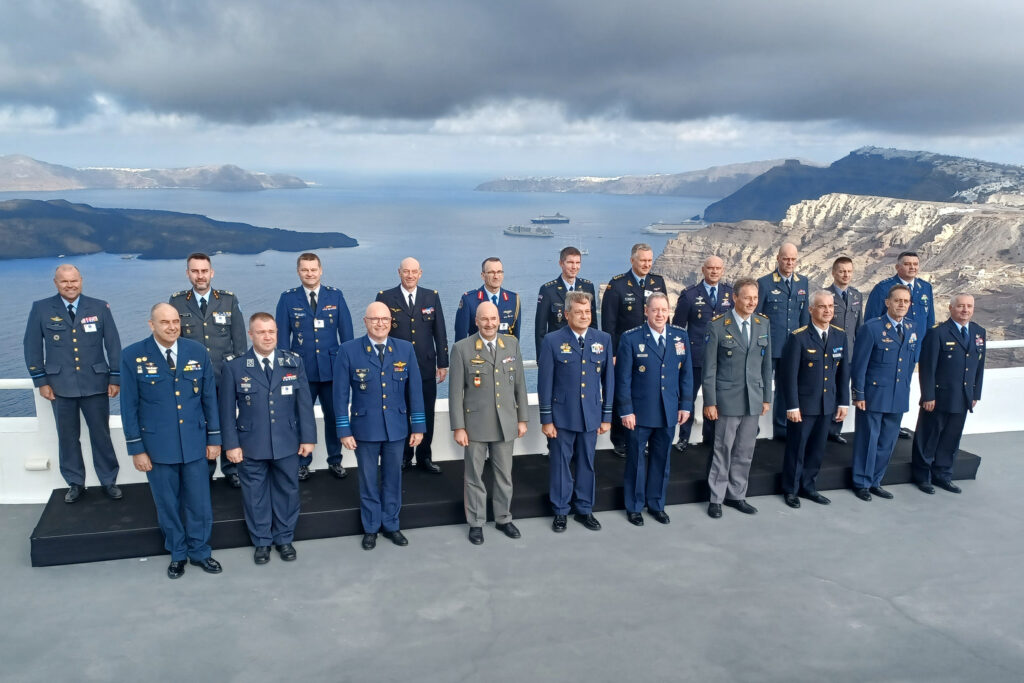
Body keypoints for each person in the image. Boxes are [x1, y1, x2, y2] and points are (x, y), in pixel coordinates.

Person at [120, 303, 223, 579]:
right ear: (151, 324)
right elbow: (128, 405)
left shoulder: (197, 351)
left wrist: (214, 438)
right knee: (168, 504)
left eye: (175, 321)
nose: (172, 327)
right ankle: (177, 554)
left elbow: (209, 399)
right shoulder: (132, 356)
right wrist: (137, 448)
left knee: (199, 503)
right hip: (158, 447)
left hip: (194, 443)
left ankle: (200, 551)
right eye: (165, 322)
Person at [219, 313, 316, 565]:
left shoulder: (293, 362)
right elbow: (226, 411)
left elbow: (304, 404)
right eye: (261, 332)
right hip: (250, 443)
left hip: (287, 441)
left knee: (288, 491)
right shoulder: (234, 367)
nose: (267, 337)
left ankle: (284, 538)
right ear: (251, 334)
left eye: (271, 331)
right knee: (255, 495)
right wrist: (231, 445)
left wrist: (308, 438)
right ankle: (262, 541)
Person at [24, 264, 122, 503]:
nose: (70, 285)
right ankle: (75, 482)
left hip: (96, 383)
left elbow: (113, 344)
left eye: (74, 281)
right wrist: (41, 381)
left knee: (101, 435)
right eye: (64, 281)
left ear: (81, 280)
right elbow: (32, 346)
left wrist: (115, 377)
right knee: (67, 437)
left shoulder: (100, 307)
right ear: (56, 283)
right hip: (60, 386)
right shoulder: (41, 308)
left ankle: (108, 480)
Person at [334, 302, 425, 550]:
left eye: (385, 319)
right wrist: (343, 430)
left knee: (393, 478)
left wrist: (418, 426)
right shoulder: (348, 350)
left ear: (390, 322)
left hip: (396, 427)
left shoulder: (405, 349)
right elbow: (339, 395)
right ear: (365, 321)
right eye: (374, 319)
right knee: (368, 480)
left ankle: (392, 524)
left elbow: (415, 390)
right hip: (364, 428)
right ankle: (371, 527)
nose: (380, 323)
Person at [448, 302, 528, 545]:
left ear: (499, 320)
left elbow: (520, 385)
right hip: (475, 425)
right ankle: (476, 522)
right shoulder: (462, 348)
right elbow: (455, 393)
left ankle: (503, 518)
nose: (489, 324)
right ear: (476, 321)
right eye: (484, 319)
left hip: (506, 423)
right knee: (474, 477)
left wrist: (522, 419)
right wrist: (458, 427)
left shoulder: (511, 344)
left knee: (504, 476)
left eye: (493, 319)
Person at [537, 292, 614, 533]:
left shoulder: (603, 339)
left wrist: (606, 416)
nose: (584, 316)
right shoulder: (552, 341)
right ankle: (560, 511)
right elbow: (544, 383)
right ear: (566, 314)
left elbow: (608, 381)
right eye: (579, 312)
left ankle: (584, 509)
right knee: (560, 465)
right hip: (562, 416)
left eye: (588, 311)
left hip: (591, 415)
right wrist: (547, 419)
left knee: (587, 464)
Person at [170, 252, 247, 486]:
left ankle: (231, 469)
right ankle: (205, 470)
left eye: (204, 271)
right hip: (192, 379)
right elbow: (174, 342)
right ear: (188, 274)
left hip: (224, 375)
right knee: (198, 423)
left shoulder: (228, 300)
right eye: (195, 271)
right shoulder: (177, 302)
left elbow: (240, 342)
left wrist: (239, 375)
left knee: (227, 421)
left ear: (211, 273)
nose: (200, 275)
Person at [616, 293, 693, 526]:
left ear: (669, 311)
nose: (660, 314)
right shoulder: (631, 338)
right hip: (639, 413)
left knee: (662, 460)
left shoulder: (680, 336)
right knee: (636, 461)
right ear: (646, 311)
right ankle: (634, 507)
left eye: (664, 310)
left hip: (668, 410)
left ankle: (657, 504)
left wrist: (685, 405)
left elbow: (686, 374)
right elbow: (623, 379)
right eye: (655, 310)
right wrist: (626, 411)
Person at [275, 252, 354, 481]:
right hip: (301, 371)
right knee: (300, 417)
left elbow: (347, 337)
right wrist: (286, 371)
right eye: (304, 270)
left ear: (320, 271)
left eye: (313, 269)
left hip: (332, 371)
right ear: (298, 272)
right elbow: (282, 341)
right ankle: (302, 463)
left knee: (334, 416)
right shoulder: (288, 299)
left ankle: (335, 460)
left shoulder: (335, 296)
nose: (309, 274)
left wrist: (347, 369)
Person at [702, 278, 772, 519]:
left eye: (755, 298)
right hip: (727, 399)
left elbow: (766, 364)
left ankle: (737, 495)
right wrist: (710, 402)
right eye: (747, 297)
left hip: (753, 398)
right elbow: (709, 368)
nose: (752, 302)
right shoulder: (718, 326)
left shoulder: (763, 324)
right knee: (723, 449)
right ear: (734, 298)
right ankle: (716, 498)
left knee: (745, 450)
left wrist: (766, 397)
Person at [376, 257, 449, 473]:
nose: (410, 275)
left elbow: (440, 331)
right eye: (406, 271)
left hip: (425, 367)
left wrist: (442, 363)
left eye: (414, 271)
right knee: (400, 412)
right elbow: (379, 333)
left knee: (426, 413)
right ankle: (404, 456)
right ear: (399, 272)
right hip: (395, 368)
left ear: (420, 273)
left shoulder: (431, 296)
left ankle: (425, 456)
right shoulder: (385, 297)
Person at [779, 291, 850, 508]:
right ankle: (791, 489)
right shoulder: (798, 337)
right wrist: (792, 406)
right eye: (822, 306)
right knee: (797, 448)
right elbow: (788, 376)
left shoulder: (840, 336)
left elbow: (843, 373)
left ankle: (809, 487)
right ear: (811, 310)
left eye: (831, 306)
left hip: (827, 404)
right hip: (803, 406)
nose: (828, 310)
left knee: (818, 450)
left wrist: (843, 402)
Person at [912, 294, 985, 495]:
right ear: (951, 308)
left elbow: (979, 366)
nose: (965, 310)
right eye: (960, 306)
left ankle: (943, 475)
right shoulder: (938, 332)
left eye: (969, 306)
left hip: (962, 397)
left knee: (951, 439)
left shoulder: (978, 332)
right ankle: (922, 476)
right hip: (938, 397)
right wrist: (928, 396)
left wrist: (975, 394)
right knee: (928, 438)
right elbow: (927, 368)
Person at [850, 284, 917, 501]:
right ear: (888, 302)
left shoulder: (911, 327)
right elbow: (859, 365)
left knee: (887, 442)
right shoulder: (872, 328)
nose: (902, 304)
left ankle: (876, 481)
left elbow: (908, 363)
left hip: (898, 394)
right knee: (868, 441)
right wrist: (859, 394)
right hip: (874, 394)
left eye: (906, 301)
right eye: (897, 300)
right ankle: (862, 483)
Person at [601, 243, 667, 456]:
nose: (647, 264)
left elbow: (664, 317)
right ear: (632, 260)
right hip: (625, 351)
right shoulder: (617, 285)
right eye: (643, 260)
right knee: (622, 393)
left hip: (651, 350)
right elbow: (608, 323)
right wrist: (611, 353)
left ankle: (642, 439)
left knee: (646, 393)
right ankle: (620, 441)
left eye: (649, 260)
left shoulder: (658, 282)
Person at [865, 251, 934, 439]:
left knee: (903, 388)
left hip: (912, 350)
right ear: (898, 267)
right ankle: (879, 424)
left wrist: (926, 350)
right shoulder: (883, 288)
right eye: (907, 264)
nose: (912, 267)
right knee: (884, 387)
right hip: (887, 350)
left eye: (915, 264)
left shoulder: (925, 288)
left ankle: (895, 426)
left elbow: (929, 321)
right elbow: (871, 320)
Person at [671, 255, 733, 451]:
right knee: (687, 397)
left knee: (714, 398)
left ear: (722, 270)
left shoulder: (730, 294)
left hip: (721, 358)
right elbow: (678, 329)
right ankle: (683, 438)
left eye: (717, 268)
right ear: (703, 270)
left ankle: (711, 437)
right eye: (710, 268)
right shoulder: (689, 295)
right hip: (695, 357)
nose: (714, 271)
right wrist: (680, 357)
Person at [756, 242, 810, 440]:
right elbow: (757, 316)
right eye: (786, 259)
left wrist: (805, 343)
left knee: (785, 388)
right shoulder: (764, 283)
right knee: (759, 386)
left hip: (792, 348)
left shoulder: (803, 282)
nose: (789, 263)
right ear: (778, 258)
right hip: (769, 346)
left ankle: (781, 430)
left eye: (793, 259)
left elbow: (804, 316)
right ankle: (752, 428)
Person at [825, 256, 863, 444]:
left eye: (849, 271)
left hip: (850, 353)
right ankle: (824, 428)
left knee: (843, 390)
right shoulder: (826, 296)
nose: (846, 275)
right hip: (830, 353)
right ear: (834, 273)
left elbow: (859, 327)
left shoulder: (856, 296)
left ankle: (835, 430)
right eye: (842, 271)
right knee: (828, 390)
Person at [534, 246, 597, 357]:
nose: (574, 267)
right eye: (570, 262)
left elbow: (593, 324)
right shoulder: (548, 290)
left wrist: (594, 354)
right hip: (557, 351)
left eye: (578, 263)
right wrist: (542, 359)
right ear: (561, 263)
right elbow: (540, 329)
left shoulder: (588, 287)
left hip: (583, 352)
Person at [454, 257, 521, 341]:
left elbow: (515, 339)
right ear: (483, 275)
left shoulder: (513, 299)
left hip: (504, 349)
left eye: (499, 272)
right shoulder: (469, 300)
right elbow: (460, 340)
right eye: (491, 272)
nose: (496, 276)